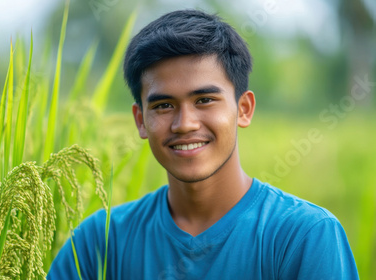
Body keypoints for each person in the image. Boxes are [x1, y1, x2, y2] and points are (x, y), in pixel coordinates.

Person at [48, 9, 359, 279]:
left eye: (205, 100)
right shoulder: (100, 243)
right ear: (140, 120)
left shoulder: (303, 237)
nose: (185, 123)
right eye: (163, 106)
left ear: (244, 109)